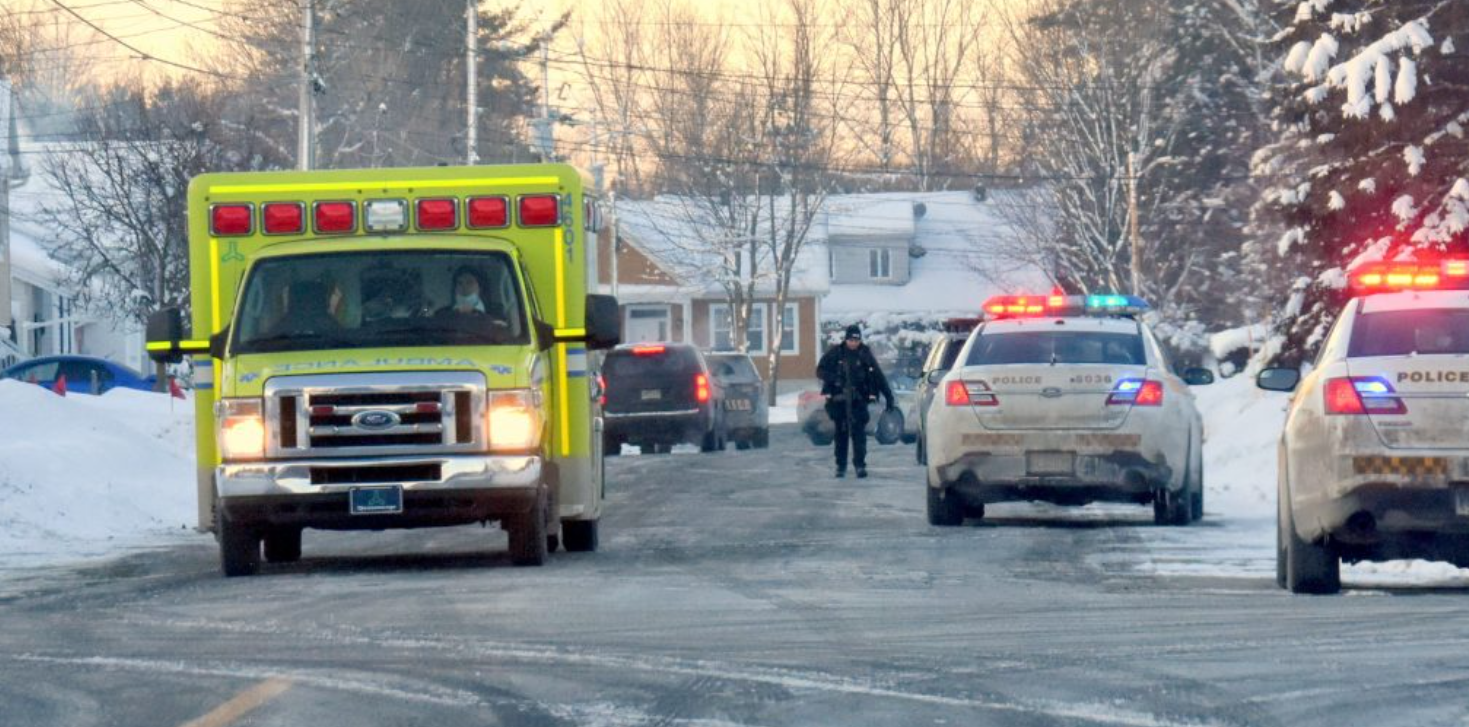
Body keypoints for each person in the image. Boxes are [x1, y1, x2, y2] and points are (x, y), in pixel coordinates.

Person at [816, 324, 895, 479]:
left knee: (859, 435)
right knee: (841, 435)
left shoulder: (864, 354)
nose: (853, 343)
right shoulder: (836, 353)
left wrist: (888, 396)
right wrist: (835, 379)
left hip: (858, 401)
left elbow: (878, 375)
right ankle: (841, 466)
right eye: (851, 340)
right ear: (846, 339)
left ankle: (860, 465)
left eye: (856, 340)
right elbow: (820, 370)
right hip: (838, 401)